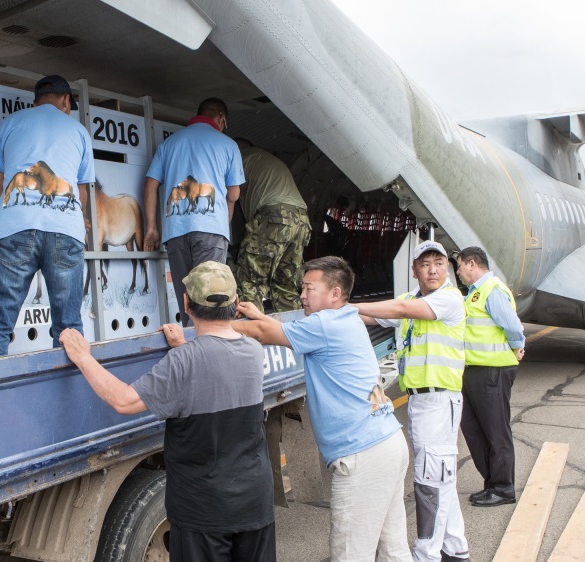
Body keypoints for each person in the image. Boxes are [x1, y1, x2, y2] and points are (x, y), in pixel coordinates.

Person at [59, 261, 276, 561]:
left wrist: (83, 357)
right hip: (255, 504)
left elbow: (124, 401)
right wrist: (182, 348)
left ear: (186, 304)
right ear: (237, 304)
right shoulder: (252, 351)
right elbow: (212, 370)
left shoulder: (184, 362)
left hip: (203, 512)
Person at [234, 256, 411, 562]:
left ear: (334, 294)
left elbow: (263, 335)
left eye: (308, 288)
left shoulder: (323, 324)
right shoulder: (345, 319)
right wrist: (256, 314)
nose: (301, 295)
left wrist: (209, 327)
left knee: (349, 555)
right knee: (393, 551)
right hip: (388, 444)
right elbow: (287, 329)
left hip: (362, 456)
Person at [354, 240, 469, 562]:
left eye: (439, 263)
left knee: (429, 481)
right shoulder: (409, 300)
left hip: (439, 400)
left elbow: (400, 311)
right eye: (425, 263)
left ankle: (426, 554)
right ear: (414, 269)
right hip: (420, 401)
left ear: (447, 268)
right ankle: (456, 549)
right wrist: (336, 312)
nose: (432, 269)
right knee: (441, 476)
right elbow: (379, 316)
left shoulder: (449, 300)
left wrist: (346, 307)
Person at [0, 74, 94, 360]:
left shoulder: (9, 124)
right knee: (68, 326)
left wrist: (3, 229)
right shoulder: (79, 131)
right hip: (65, 230)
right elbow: (81, 193)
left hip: (15, 228)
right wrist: (80, 221)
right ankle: (68, 401)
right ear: (65, 100)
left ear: (35, 101)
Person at [143, 98, 244, 325]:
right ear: (221, 118)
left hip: (175, 233)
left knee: (187, 299)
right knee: (211, 301)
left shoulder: (170, 144)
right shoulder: (227, 144)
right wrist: (224, 226)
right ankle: (208, 354)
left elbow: (150, 185)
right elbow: (234, 194)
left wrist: (151, 228)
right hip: (211, 232)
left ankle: (190, 349)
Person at [455, 246, 524, 508]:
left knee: (496, 431)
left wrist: (518, 345)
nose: (459, 272)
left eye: (460, 266)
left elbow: (512, 325)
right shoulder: (474, 293)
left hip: (492, 370)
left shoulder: (492, 290)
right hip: (475, 370)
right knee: (474, 430)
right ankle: (492, 483)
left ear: (472, 264)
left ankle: (504, 487)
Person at [233, 139, 311, 312]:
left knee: (250, 282)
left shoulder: (242, 157)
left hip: (274, 217)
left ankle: (254, 335)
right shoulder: (269, 160)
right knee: (286, 284)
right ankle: (293, 334)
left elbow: (230, 191)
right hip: (301, 220)